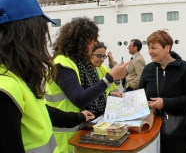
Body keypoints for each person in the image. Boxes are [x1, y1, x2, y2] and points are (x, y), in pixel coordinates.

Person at [0, 0, 95, 153]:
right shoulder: (5, 89)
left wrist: (78, 117)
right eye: (41, 33)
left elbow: (40, 111)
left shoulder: (15, 78)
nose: (44, 41)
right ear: (26, 35)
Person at [45, 18, 129, 153]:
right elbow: (79, 98)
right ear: (82, 40)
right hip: (64, 136)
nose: (94, 44)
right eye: (92, 40)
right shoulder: (62, 64)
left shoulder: (78, 63)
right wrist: (110, 78)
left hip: (76, 129)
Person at [138, 30, 186, 153]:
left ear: (167, 47)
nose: (150, 51)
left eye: (154, 48)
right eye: (149, 48)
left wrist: (165, 103)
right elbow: (140, 95)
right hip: (152, 128)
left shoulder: (185, 68)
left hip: (178, 130)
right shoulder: (148, 69)